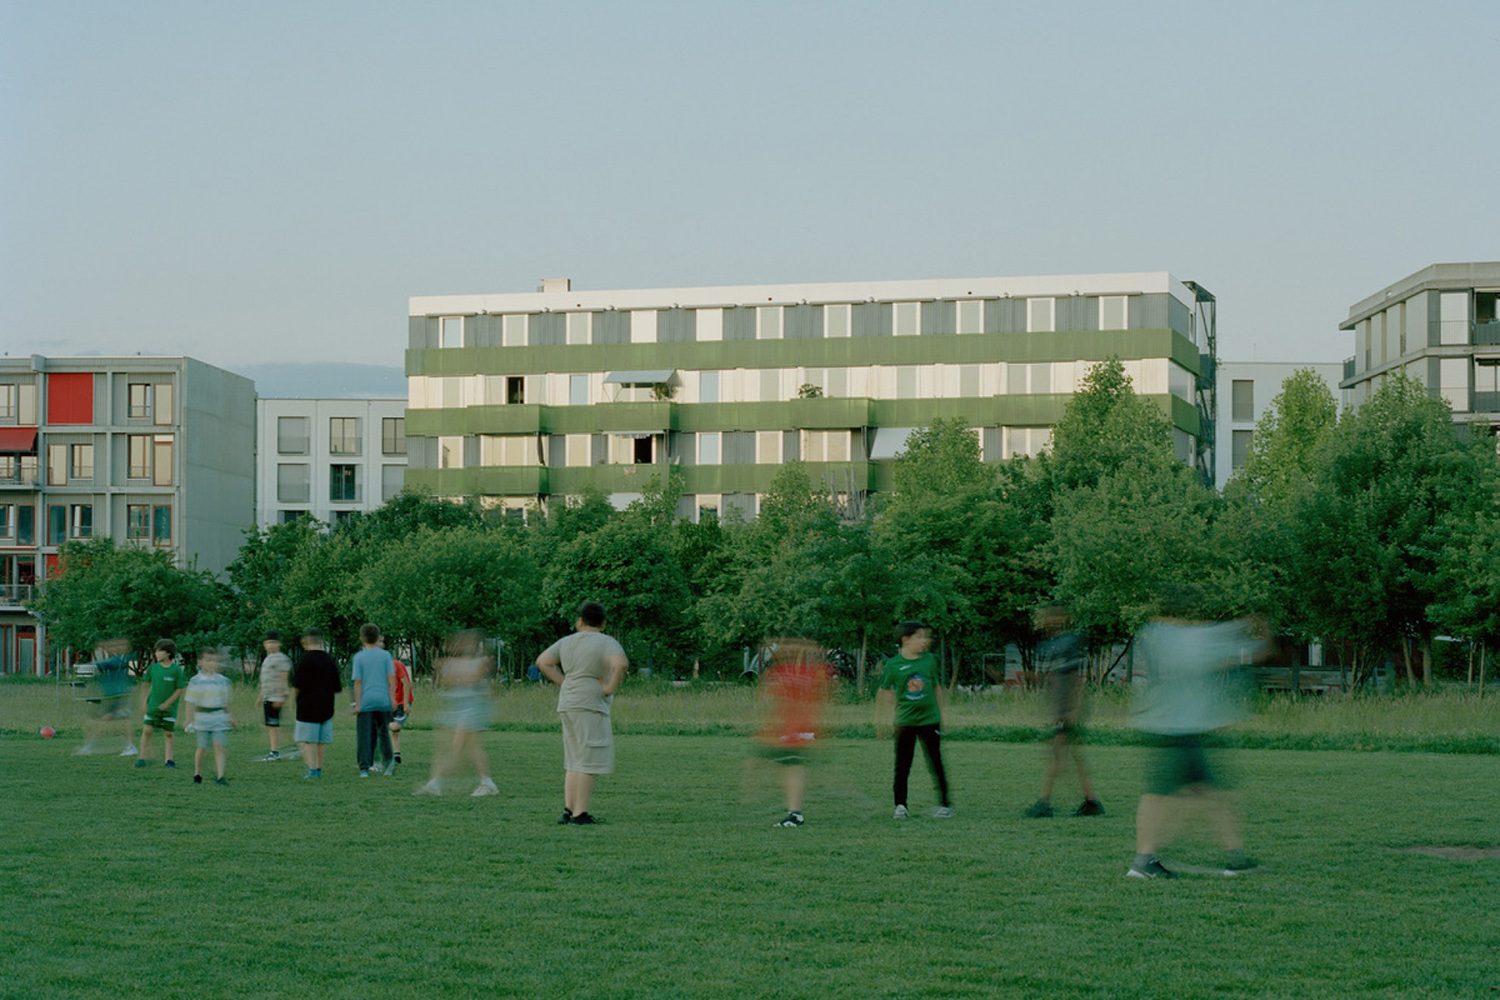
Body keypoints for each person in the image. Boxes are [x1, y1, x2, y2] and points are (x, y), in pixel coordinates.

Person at [1126, 603, 1267, 879]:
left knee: (1211, 794)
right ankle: (1143, 861)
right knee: (1163, 796)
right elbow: (1235, 652)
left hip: (1177, 727)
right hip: (1179, 730)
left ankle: (1235, 858)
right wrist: (1259, 630)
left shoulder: (1161, 634)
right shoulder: (1187, 639)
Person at [535, 601, 628, 825]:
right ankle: (580, 813)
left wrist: (564, 682)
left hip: (568, 701)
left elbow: (543, 662)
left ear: (580, 621)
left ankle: (568, 809)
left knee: (574, 758)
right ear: (603, 623)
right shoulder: (606, 642)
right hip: (590, 703)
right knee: (588, 758)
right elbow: (621, 664)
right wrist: (609, 688)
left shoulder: (566, 641)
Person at [1023, 607, 1103, 818]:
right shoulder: (1051, 644)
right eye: (1048, 616)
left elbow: (1079, 678)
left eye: (1055, 615)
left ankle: (1045, 803)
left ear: (1064, 618)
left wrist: (1075, 708)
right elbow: (1055, 678)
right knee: (1073, 754)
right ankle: (1092, 801)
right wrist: (1034, 679)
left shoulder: (1071, 642)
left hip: (1069, 709)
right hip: (1061, 709)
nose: (1051, 619)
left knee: (1056, 754)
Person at [748, 638, 835, 828]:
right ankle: (793, 810)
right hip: (789, 730)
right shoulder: (785, 672)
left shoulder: (806, 673)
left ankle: (795, 814)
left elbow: (818, 698)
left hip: (799, 730)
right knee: (786, 767)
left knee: (792, 767)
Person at [875, 621, 952, 819]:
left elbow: (936, 687)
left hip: (929, 721)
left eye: (925, 637)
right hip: (905, 722)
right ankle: (901, 806)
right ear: (906, 640)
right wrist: (880, 721)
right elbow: (884, 692)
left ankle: (945, 805)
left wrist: (944, 714)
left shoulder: (929, 660)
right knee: (902, 766)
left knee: (936, 762)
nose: (924, 641)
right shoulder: (893, 665)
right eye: (919, 637)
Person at [413, 630, 499, 798]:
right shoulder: (456, 662)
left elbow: (471, 680)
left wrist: (452, 668)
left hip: (472, 708)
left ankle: (487, 783)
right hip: (457, 707)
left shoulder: (479, 662)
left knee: (461, 748)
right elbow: (447, 681)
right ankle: (435, 783)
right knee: (445, 747)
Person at [290, 627, 342, 779]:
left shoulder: (303, 660)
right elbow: (337, 686)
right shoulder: (329, 659)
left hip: (307, 705)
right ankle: (318, 768)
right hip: (327, 705)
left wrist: (293, 700)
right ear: (322, 641)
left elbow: (297, 684)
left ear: (304, 642)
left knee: (307, 740)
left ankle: (312, 769)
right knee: (321, 741)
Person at [182, 647, 236, 785]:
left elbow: (225, 702)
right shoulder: (195, 681)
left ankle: (220, 776)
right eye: (208, 660)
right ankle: (197, 773)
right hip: (202, 718)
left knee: (219, 746)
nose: (212, 663)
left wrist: (230, 717)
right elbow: (190, 702)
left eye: (215, 661)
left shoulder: (223, 681)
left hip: (218, 717)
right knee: (202, 748)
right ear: (200, 662)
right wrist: (188, 719)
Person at [76, 638, 137, 757]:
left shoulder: (121, 660)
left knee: (120, 720)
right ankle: (130, 746)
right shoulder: (124, 659)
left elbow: (101, 664)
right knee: (119, 720)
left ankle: (89, 747)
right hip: (113, 695)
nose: (116, 648)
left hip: (119, 696)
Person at [350, 622, 396, 778]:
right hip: (383, 701)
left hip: (366, 701)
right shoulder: (386, 655)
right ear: (378, 637)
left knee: (364, 735)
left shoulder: (359, 657)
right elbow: (391, 679)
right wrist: (393, 699)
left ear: (362, 639)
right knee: (384, 733)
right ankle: (388, 763)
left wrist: (357, 703)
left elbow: (358, 682)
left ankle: (364, 767)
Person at [135, 639, 187, 768]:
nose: (156, 654)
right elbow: (147, 686)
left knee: (168, 733)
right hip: (153, 706)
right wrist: (144, 702)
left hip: (169, 709)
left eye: (159, 651)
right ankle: (141, 758)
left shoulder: (176, 670)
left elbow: (179, 689)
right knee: (147, 730)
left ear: (168, 653)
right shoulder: (153, 668)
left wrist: (168, 703)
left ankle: (169, 760)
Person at [256, 631, 293, 762]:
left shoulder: (281, 658)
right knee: (272, 725)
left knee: (273, 726)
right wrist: (260, 697)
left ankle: (275, 752)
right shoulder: (267, 659)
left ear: (279, 643)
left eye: (273, 642)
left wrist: (282, 695)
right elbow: (264, 680)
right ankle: (297, 744)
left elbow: (284, 678)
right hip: (268, 696)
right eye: (268, 643)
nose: (270, 645)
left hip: (275, 697)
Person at [387, 642, 414, 766]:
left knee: (395, 726)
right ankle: (396, 756)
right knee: (394, 731)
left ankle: (381, 725)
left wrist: (406, 703)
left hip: (402, 701)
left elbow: (406, 683)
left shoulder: (396, 665)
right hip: (391, 702)